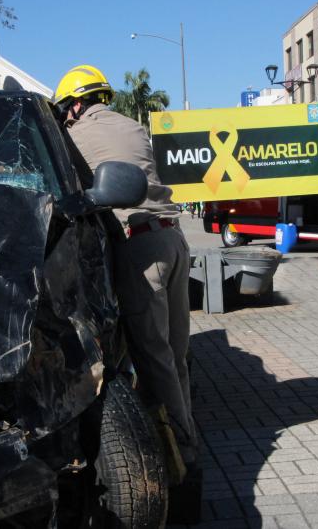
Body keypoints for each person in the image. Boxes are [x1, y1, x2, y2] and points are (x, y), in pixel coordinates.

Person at [52, 65, 198, 476]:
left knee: (155, 359)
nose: (65, 117)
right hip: (173, 240)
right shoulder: (132, 126)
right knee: (176, 352)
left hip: (140, 248)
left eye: (65, 110)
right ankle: (189, 433)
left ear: (76, 104)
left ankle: (181, 461)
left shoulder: (74, 136)